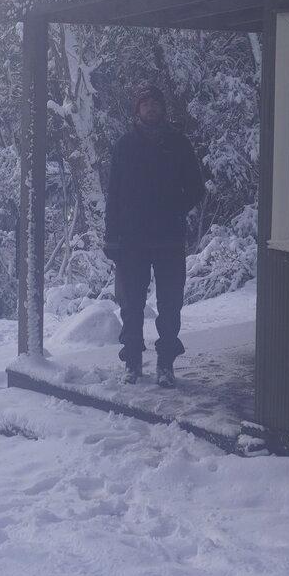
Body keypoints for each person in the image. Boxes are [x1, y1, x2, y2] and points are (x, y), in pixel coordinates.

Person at [103, 83, 205, 385]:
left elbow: (197, 188)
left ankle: (165, 364)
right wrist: (111, 237)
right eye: (145, 103)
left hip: (169, 239)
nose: (151, 108)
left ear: (162, 108)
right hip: (131, 241)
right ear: (137, 110)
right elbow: (114, 195)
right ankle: (132, 362)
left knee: (170, 304)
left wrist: (175, 207)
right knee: (131, 305)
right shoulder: (124, 146)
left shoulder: (179, 144)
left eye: (155, 103)